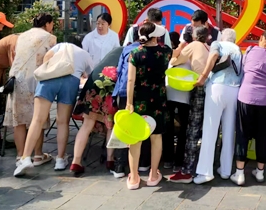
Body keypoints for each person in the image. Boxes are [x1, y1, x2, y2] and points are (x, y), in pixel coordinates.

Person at [14, 42, 93, 177]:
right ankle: (60, 159)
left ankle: (25, 158)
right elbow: (91, 75)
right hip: (71, 81)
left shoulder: (61, 45)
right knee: (63, 122)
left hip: (50, 77)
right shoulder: (85, 54)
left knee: (37, 120)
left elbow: (47, 57)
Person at [4, 13, 57, 166]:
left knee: (19, 120)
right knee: (38, 118)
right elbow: (51, 60)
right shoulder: (50, 37)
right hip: (36, 79)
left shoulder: (21, 36)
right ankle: (38, 155)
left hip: (16, 79)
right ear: (47, 24)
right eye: (52, 24)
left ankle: (20, 156)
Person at [231, 30, 266, 186]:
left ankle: (239, 173)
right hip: (265, 100)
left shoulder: (251, 50)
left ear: (261, 39)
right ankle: (260, 172)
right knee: (263, 135)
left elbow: (244, 67)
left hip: (246, 96)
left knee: (242, 134)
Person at [192, 29, 243, 185]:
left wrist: (203, 77)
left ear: (222, 37)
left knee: (210, 130)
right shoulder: (238, 50)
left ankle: (205, 172)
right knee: (229, 132)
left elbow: (214, 55)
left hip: (217, 87)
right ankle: (226, 170)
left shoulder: (217, 44)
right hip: (234, 90)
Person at [125, 23, 172, 190]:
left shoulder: (135, 53)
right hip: (159, 98)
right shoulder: (165, 51)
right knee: (156, 137)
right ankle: (153, 175)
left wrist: (129, 102)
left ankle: (134, 178)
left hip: (139, 99)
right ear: (155, 36)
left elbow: (130, 80)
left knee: (135, 138)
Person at [70, 46, 123, 177]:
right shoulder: (135, 52)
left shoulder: (116, 50)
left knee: (87, 125)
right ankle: (110, 160)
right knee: (111, 124)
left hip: (94, 81)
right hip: (111, 84)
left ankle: (76, 161)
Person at [168, 26, 211, 184]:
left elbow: (174, 61)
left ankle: (186, 171)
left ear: (194, 36)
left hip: (199, 87)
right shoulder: (207, 47)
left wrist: (180, 48)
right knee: (207, 130)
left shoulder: (194, 45)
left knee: (192, 130)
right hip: (211, 87)